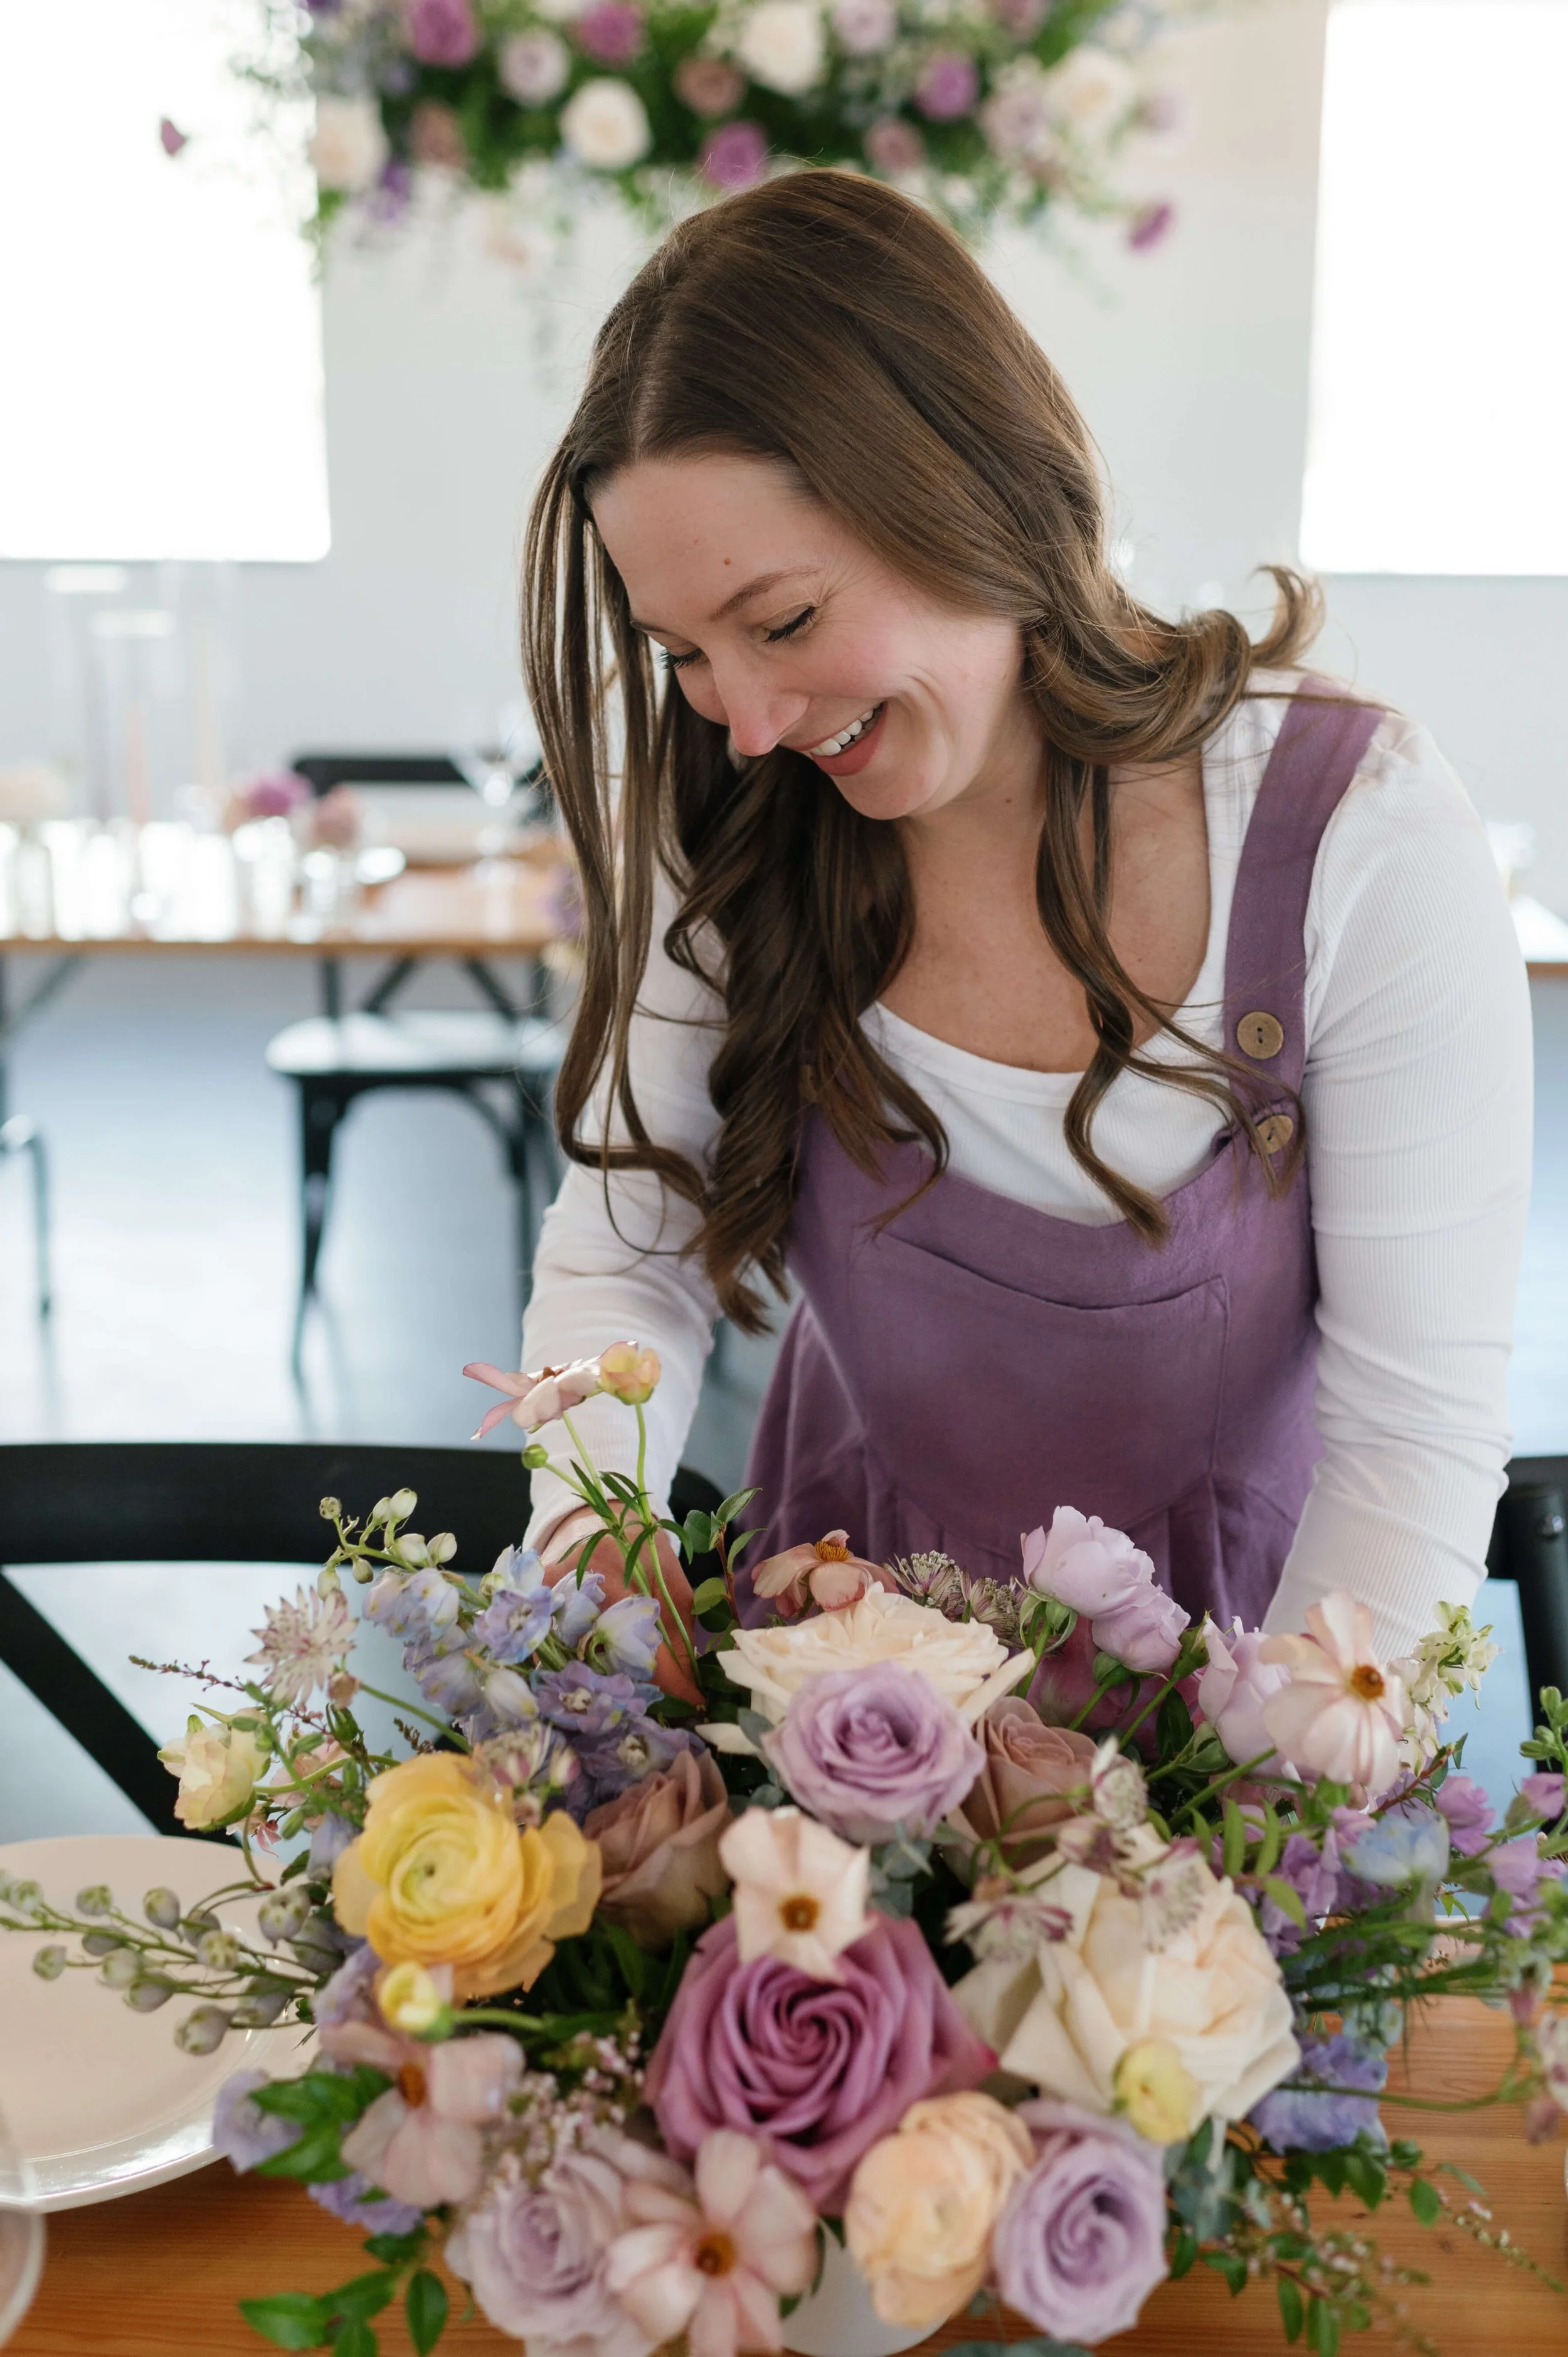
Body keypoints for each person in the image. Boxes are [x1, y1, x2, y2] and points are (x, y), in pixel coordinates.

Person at [514, 169, 1530, 1665]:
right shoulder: (728, 815)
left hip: (1253, 1664)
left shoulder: (1352, 830)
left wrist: (1268, 1817)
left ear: (967, 490)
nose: (744, 719)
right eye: (682, 652)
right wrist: (585, 1587)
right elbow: (627, 1259)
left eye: (783, 622)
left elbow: (1410, 1433)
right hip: (836, 1671)